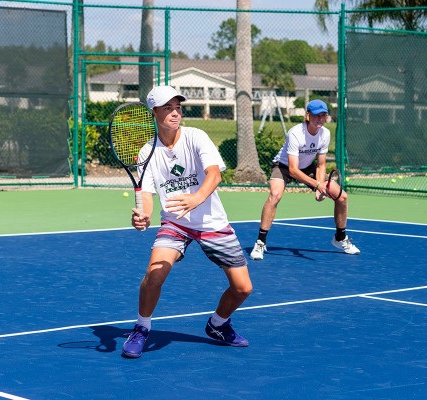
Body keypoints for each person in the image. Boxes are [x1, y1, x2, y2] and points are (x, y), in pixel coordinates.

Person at [122, 85, 253, 358]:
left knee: (243, 288)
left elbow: (214, 175)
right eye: (167, 108)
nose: (174, 113)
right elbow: (146, 194)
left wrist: (197, 198)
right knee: (154, 274)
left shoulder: (196, 137)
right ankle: (141, 328)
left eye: (178, 107)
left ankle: (218, 324)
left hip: (211, 221)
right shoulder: (147, 153)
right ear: (154, 112)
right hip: (174, 222)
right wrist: (144, 215)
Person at [250, 99, 360, 261]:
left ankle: (340, 237)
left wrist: (321, 186)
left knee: (342, 197)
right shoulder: (296, 133)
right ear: (307, 116)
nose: (320, 119)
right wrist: (316, 185)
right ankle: (260, 242)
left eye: (323, 116)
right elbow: (293, 170)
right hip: (284, 167)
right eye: (316, 116)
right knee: (275, 195)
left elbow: (321, 164)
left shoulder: (325, 134)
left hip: (309, 167)